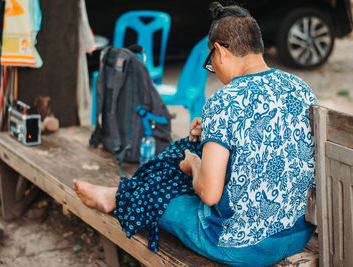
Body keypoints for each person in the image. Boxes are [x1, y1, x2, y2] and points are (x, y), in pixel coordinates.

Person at [73, 2, 318, 266]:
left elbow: (210, 194)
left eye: (210, 62)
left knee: (160, 192)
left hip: (242, 245)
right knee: (187, 153)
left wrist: (194, 163)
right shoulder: (300, 88)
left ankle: (116, 197)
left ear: (220, 51)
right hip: (296, 233)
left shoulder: (226, 100)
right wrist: (211, 131)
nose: (213, 68)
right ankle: (120, 192)